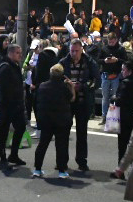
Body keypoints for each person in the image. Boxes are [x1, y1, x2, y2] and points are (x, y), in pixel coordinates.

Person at [56, 40, 99, 174]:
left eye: (76, 51)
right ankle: (62, 161)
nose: (74, 53)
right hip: (67, 103)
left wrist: (83, 86)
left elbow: (96, 81)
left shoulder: (90, 62)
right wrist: (68, 86)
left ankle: (81, 161)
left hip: (83, 102)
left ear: (81, 50)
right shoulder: (63, 62)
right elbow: (56, 80)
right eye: (72, 51)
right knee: (63, 133)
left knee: (82, 134)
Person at [32, 64, 75, 178]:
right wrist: (71, 86)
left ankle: (37, 169)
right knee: (61, 145)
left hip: (46, 120)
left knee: (42, 144)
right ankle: (61, 171)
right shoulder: (63, 87)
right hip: (61, 120)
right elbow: (72, 98)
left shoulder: (42, 86)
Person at [0, 43, 27, 169]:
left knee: (21, 127)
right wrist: (9, 103)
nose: (20, 55)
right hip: (7, 105)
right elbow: (3, 89)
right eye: (18, 53)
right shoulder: (5, 67)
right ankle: (2, 157)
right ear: (11, 53)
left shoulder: (15, 65)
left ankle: (14, 154)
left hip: (17, 104)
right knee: (4, 130)